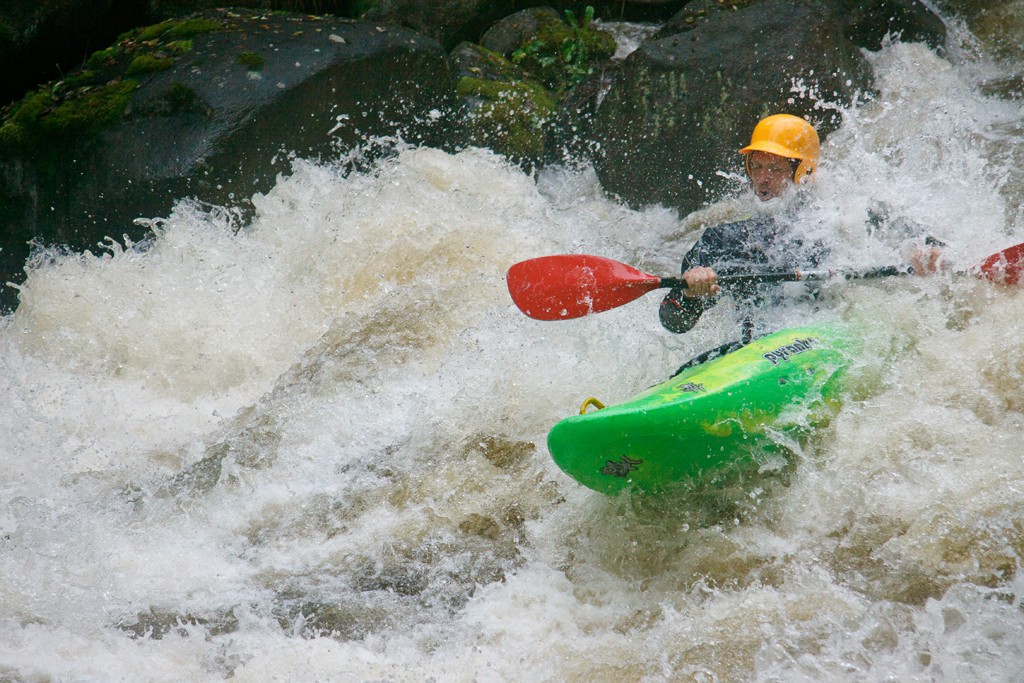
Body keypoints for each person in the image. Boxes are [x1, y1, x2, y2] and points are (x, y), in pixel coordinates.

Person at [660, 114, 942, 344]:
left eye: (774, 169)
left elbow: (924, 240)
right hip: (757, 353)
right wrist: (690, 294)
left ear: (803, 172)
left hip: (832, 339)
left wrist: (925, 253)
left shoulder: (844, 216)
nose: (761, 179)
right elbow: (673, 321)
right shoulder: (722, 240)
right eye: (756, 166)